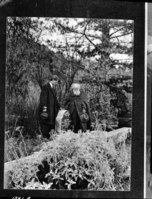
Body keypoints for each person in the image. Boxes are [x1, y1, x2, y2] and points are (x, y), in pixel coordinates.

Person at [37, 74, 60, 139]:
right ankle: (44, 137)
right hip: (46, 109)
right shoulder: (45, 87)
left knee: (50, 123)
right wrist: (44, 109)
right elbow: (43, 99)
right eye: (56, 81)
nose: (56, 83)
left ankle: (48, 137)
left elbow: (55, 99)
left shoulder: (53, 88)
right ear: (52, 80)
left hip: (52, 109)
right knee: (45, 123)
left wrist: (59, 106)